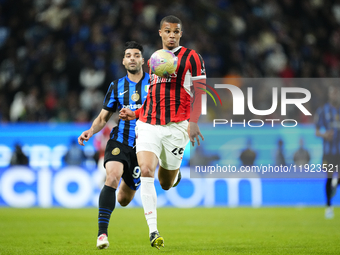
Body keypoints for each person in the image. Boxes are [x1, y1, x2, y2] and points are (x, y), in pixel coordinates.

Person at [119, 15, 206, 249]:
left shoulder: (192, 57)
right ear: (160, 33)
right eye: (167, 31)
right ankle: (153, 230)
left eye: (176, 32)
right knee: (146, 169)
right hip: (148, 124)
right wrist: (135, 114)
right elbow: (152, 97)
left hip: (177, 126)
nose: (171, 35)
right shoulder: (155, 60)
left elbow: (201, 92)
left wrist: (194, 121)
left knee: (166, 182)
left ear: (180, 34)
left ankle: (174, 174)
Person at [78, 41, 149, 249]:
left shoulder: (155, 83)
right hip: (120, 140)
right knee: (112, 176)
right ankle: (102, 234)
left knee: (124, 198)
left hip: (144, 146)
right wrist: (91, 131)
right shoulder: (116, 86)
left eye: (136, 55)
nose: (132, 58)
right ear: (123, 60)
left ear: (143, 60)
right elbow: (103, 117)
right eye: (128, 55)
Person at [315, 85, 340, 219]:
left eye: (337, 92)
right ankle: (329, 207)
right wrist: (325, 135)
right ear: (330, 95)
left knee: (336, 178)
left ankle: (336, 184)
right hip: (329, 152)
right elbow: (317, 131)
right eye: (333, 92)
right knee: (329, 177)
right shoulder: (323, 111)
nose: (335, 95)